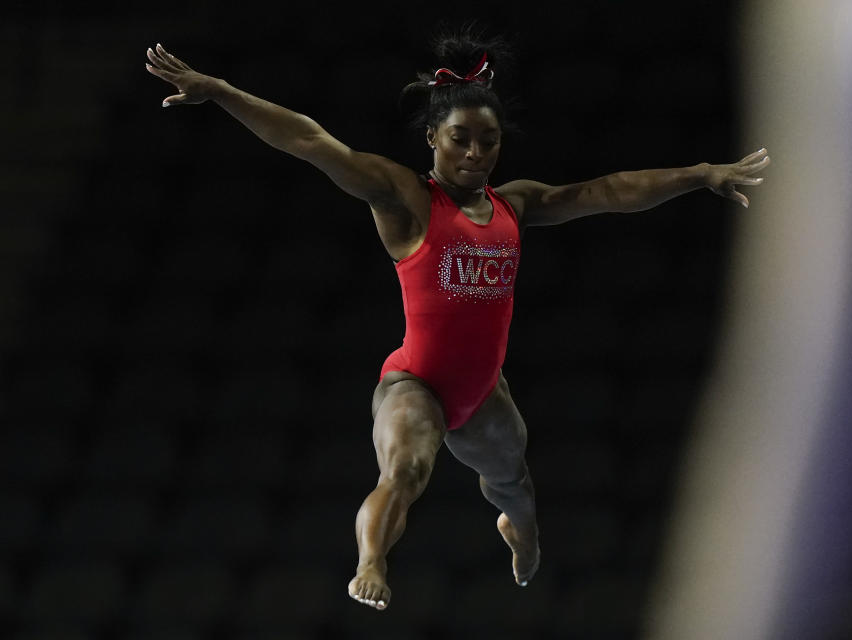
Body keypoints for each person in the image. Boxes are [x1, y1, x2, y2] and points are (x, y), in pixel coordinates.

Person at [144, 25, 770, 612]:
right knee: (408, 467)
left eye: (488, 141)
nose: (475, 153)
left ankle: (519, 537)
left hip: (482, 393)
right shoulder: (406, 198)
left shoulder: (515, 204)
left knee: (515, 487)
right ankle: (371, 561)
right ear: (432, 140)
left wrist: (698, 175)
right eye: (460, 140)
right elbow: (309, 140)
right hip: (415, 382)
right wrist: (223, 92)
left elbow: (608, 191)